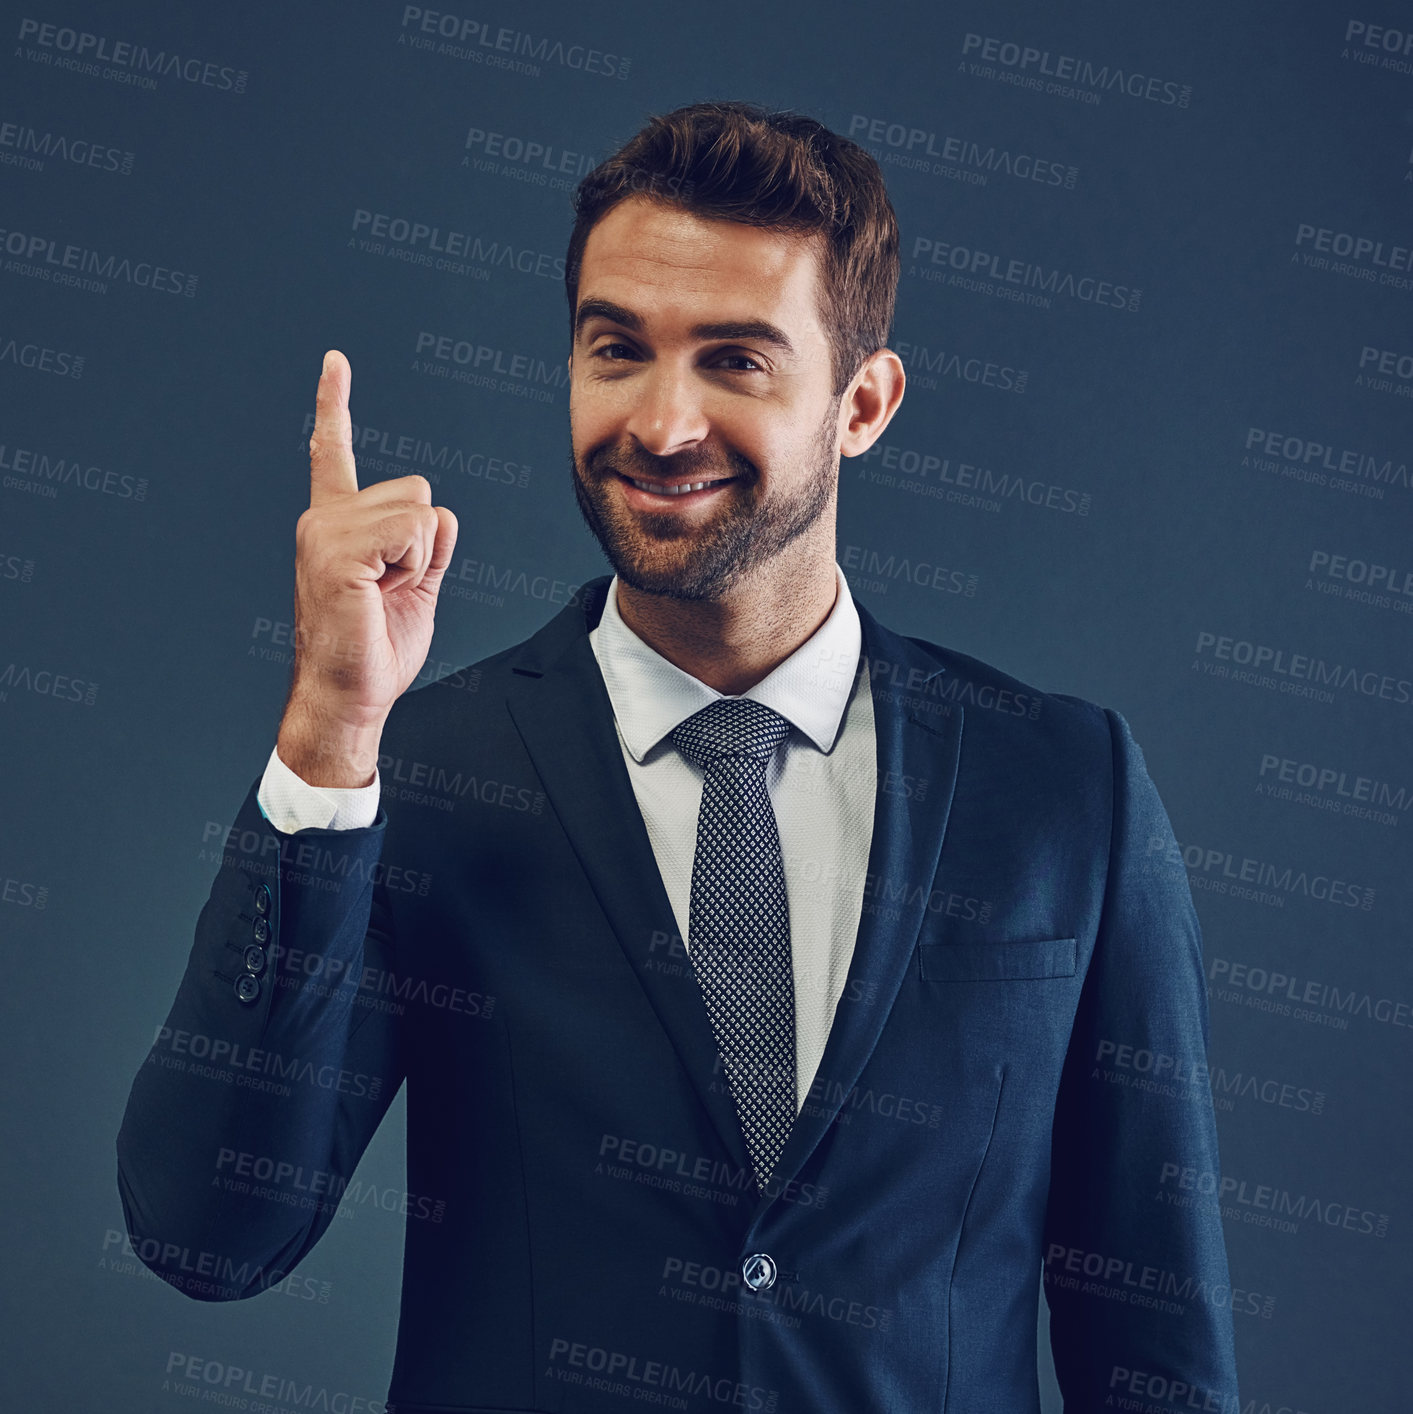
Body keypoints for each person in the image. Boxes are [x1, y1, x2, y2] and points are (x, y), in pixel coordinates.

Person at [118, 101, 1239, 1414]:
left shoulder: (1063, 788)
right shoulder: (420, 770)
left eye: (735, 360)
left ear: (861, 402)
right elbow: (209, 1232)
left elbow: (1157, 1353)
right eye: (616, 348)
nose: (659, 422)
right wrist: (324, 727)